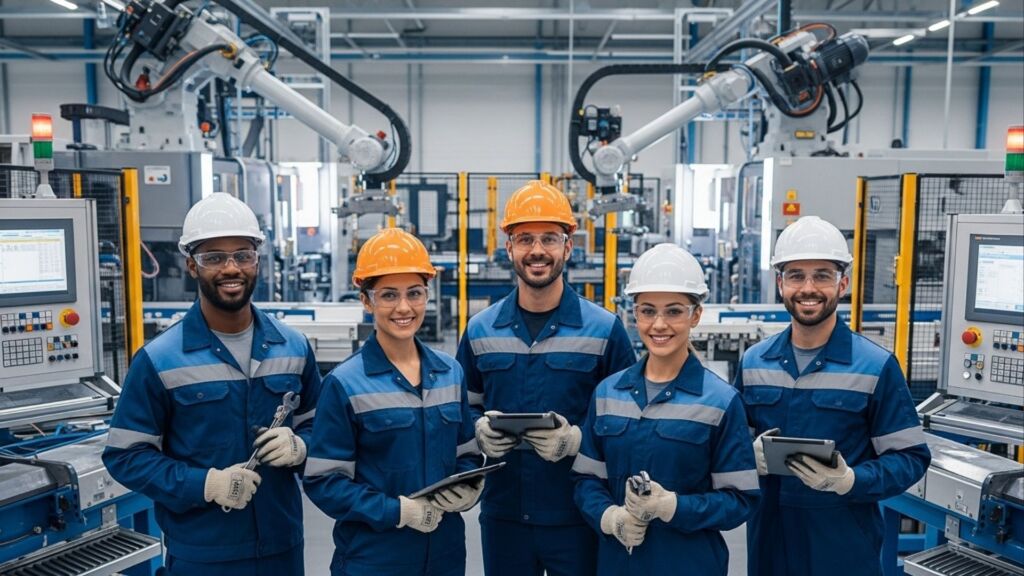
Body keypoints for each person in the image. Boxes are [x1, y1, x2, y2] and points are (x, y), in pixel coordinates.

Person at [103, 193, 321, 575]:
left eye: (242, 254)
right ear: (191, 265)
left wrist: (303, 447)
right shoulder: (159, 359)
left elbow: (324, 430)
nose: (230, 268)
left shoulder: (295, 347)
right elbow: (125, 455)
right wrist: (204, 485)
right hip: (202, 555)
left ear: (257, 260)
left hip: (282, 547)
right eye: (214, 257)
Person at [457, 180, 637, 576]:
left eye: (549, 239)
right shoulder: (481, 330)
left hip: (579, 513)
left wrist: (577, 440)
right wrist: (478, 430)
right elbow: (461, 408)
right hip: (504, 516)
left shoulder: (605, 330)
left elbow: (629, 423)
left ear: (567, 247)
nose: (537, 250)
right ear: (509, 248)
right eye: (525, 239)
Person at [735, 215, 931, 576]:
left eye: (822, 275)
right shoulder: (753, 362)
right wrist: (749, 455)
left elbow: (910, 458)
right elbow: (727, 444)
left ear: (842, 284)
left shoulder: (875, 366)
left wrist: (852, 480)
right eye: (796, 275)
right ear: (780, 284)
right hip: (769, 546)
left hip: (843, 550)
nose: (808, 287)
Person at [303, 227, 483, 576]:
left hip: (444, 555)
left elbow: (467, 455)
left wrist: (469, 486)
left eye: (414, 293)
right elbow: (324, 481)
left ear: (427, 295)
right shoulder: (345, 383)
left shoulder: (450, 373)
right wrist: (396, 511)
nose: (404, 307)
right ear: (367, 301)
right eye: (388, 295)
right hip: (374, 558)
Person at [572, 243, 760, 575]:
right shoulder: (607, 394)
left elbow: (740, 500)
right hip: (618, 564)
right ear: (634, 313)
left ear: (696, 315)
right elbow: (586, 479)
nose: (659, 325)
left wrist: (673, 506)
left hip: (689, 565)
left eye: (673, 311)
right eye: (647, 310)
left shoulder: (720, 401)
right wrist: (609, 517)